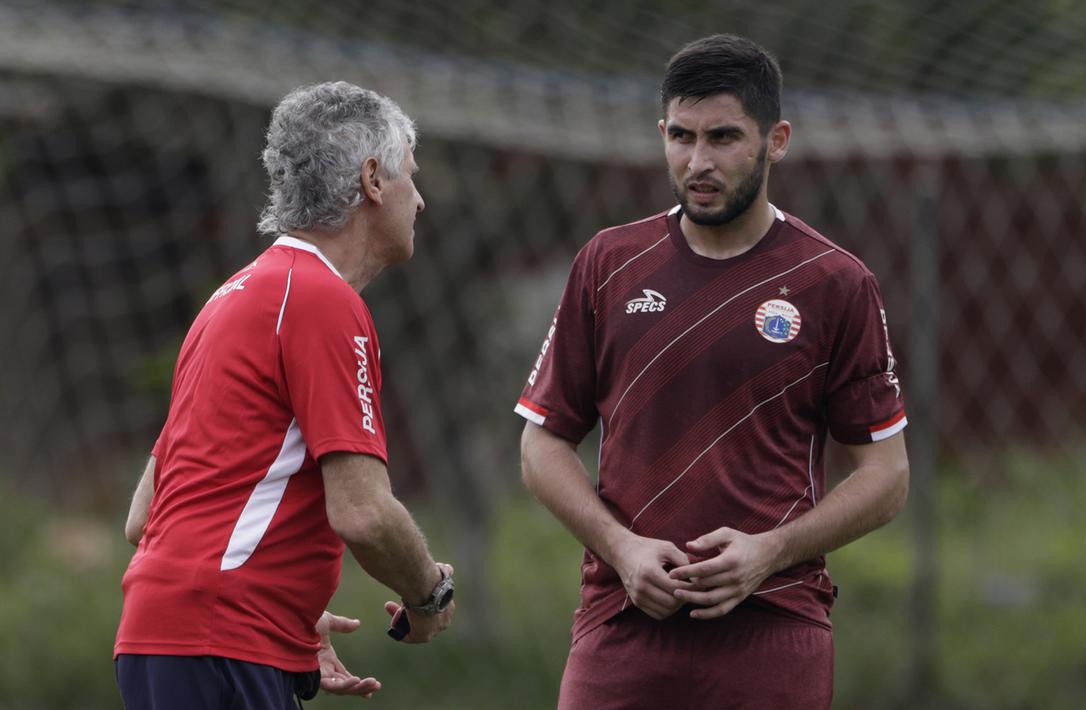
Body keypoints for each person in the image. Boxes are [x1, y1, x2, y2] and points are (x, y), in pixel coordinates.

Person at [516, 35, 910, 709]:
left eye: (723, 138)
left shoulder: (834, 282)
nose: (697, 161)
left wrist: (770, 551)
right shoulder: (608, 264)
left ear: (776, 139)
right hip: (623, 620)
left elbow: (885, 474)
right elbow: (541, 443)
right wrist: (621, 548)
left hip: (775, 624)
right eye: (681, 136)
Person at [115, 81, 456, 709]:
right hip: (221, 638)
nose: (422, 199)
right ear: (374, 180)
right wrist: (428, 593)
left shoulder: (232, 296)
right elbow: (364, 513)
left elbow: (146, 516)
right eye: (412, 174)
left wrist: (287, 612)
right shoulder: (323, 301)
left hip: (169, 634)